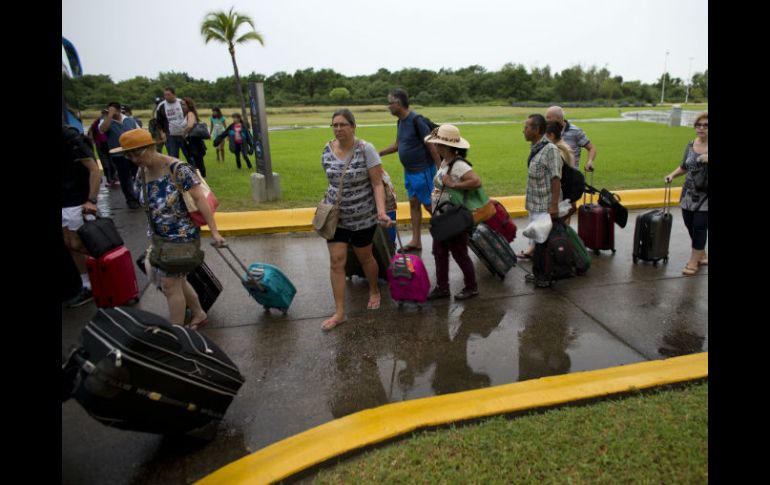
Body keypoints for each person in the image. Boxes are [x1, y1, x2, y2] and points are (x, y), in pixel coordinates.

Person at [111, 128, 226, 328]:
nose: (133, 159)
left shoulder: (178, 169)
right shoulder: (142, 172)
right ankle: (198, 313)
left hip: (181, 236)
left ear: (150, 147)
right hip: (159, 237)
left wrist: (214, 231)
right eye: (129, 155)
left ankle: (176, 333)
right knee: (178, 281)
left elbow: (200, 199)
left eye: (137, 153)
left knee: (170, 285)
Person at [320, 109, 391, 331]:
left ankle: (373, 289)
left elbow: (377, 183)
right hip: (336, 217)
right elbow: (331, 180)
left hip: (362, 217)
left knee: (365, 257)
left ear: (353, 126)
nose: (338, 129)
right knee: (336, 262)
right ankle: (340, 312)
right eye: (335, 125)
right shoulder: (327, 149)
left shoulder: (366, 149)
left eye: (343, 124)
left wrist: (380, 211)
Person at [378, 89, 441, 252]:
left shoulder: (416, 120)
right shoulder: (400, 121)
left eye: (389, 103)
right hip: (410, 172)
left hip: (424, 172)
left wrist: (441, 170)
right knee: (414, 204)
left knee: (432, 207)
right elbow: (397, 145)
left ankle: (447, 236)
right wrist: (377, 154)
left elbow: (431, 146)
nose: (388, 107)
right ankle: (416, 241)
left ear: (398, 104)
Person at [424, 124, 481, 301]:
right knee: (439, 252)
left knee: (459, 253)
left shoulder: (459, 165)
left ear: (446, 146)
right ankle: (442, 288)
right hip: (444, 216)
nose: (435, 146)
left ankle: (471, 287)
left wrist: (455, 184)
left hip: (454, 218)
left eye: (438, 144)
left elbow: (476, 181)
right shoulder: (445, 161)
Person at [61, 124, 101, 308]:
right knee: (70, 244)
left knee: (79, 243)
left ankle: (104, 276)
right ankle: (87, 283)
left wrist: (91, 201)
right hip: (66, 200)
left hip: (78, 200)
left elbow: (94, 169)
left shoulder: (69, 136)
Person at [665, 111, 708, 276]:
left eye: (705, 125)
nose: (701, 128)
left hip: (706, 195)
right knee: (690, 224)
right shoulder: (691, 145)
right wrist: (672, 175)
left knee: (699, 227)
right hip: (688, 193)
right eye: (699, 125)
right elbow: (684, 166)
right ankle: (702, 254)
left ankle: (693, 261)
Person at [519, 114, 563, 265]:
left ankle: (544, 271)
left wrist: (554, 205)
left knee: (543, 242)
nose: (523, 131)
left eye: (526, 128)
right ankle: (539, 266)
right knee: (538, 241)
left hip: (545, 206)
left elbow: (556, 178)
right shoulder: (536, 147)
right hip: (534, 203)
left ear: (536, 130)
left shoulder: (550, 150)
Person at [99, 102, 141, 209]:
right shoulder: (106, 121)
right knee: (125, 177)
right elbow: (103, 129)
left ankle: (139, 197)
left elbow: (139, 133)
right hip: (118, 155)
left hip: (133, 153)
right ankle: (131, 199)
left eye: (112, 110)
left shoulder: (130, 120)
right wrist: (109, 115)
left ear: (118, 110)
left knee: (136, 176)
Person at [545, 106, 597, 171]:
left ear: (558, 118)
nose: (546, 120)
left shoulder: (575, 131)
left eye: (548, 117)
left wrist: (590, 161)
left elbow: (591, 148)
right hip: (551, 174)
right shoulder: (546, 132)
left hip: (571, 176)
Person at [155, 86, 191, 162]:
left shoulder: (182, 103)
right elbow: (158, 122)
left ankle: (194, 172)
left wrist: (188, 130)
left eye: (168, 95)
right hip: (170, 136)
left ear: (174, 95)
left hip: (184, 134)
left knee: (190, 156)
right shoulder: (161, 106)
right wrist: (162, 133)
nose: (166, 97)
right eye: (165, 95)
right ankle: (176, 173)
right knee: (173, 159)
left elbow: (190, 115)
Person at [87, 109, 118, 187]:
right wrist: (92, 140)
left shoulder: (111, 121)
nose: (105, 115)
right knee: (105, 163)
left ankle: (114, 178)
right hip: (100, 145)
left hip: (109, 145)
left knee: (112, 162)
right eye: (104, 113)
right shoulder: (98, 121)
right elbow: (90, 130)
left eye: (106, 113)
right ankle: (109, 179)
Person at [181, 97, 208, 178]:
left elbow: (190, 125)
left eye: (184, 104)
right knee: (196, 160)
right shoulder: (186, 114)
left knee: (198, 160)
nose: (182, 106)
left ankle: (202, 177)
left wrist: (183, 133)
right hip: (190, 140)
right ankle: (199, 177)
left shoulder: (190, 113)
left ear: (188, 105)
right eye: (181, 104)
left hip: (194, 140)